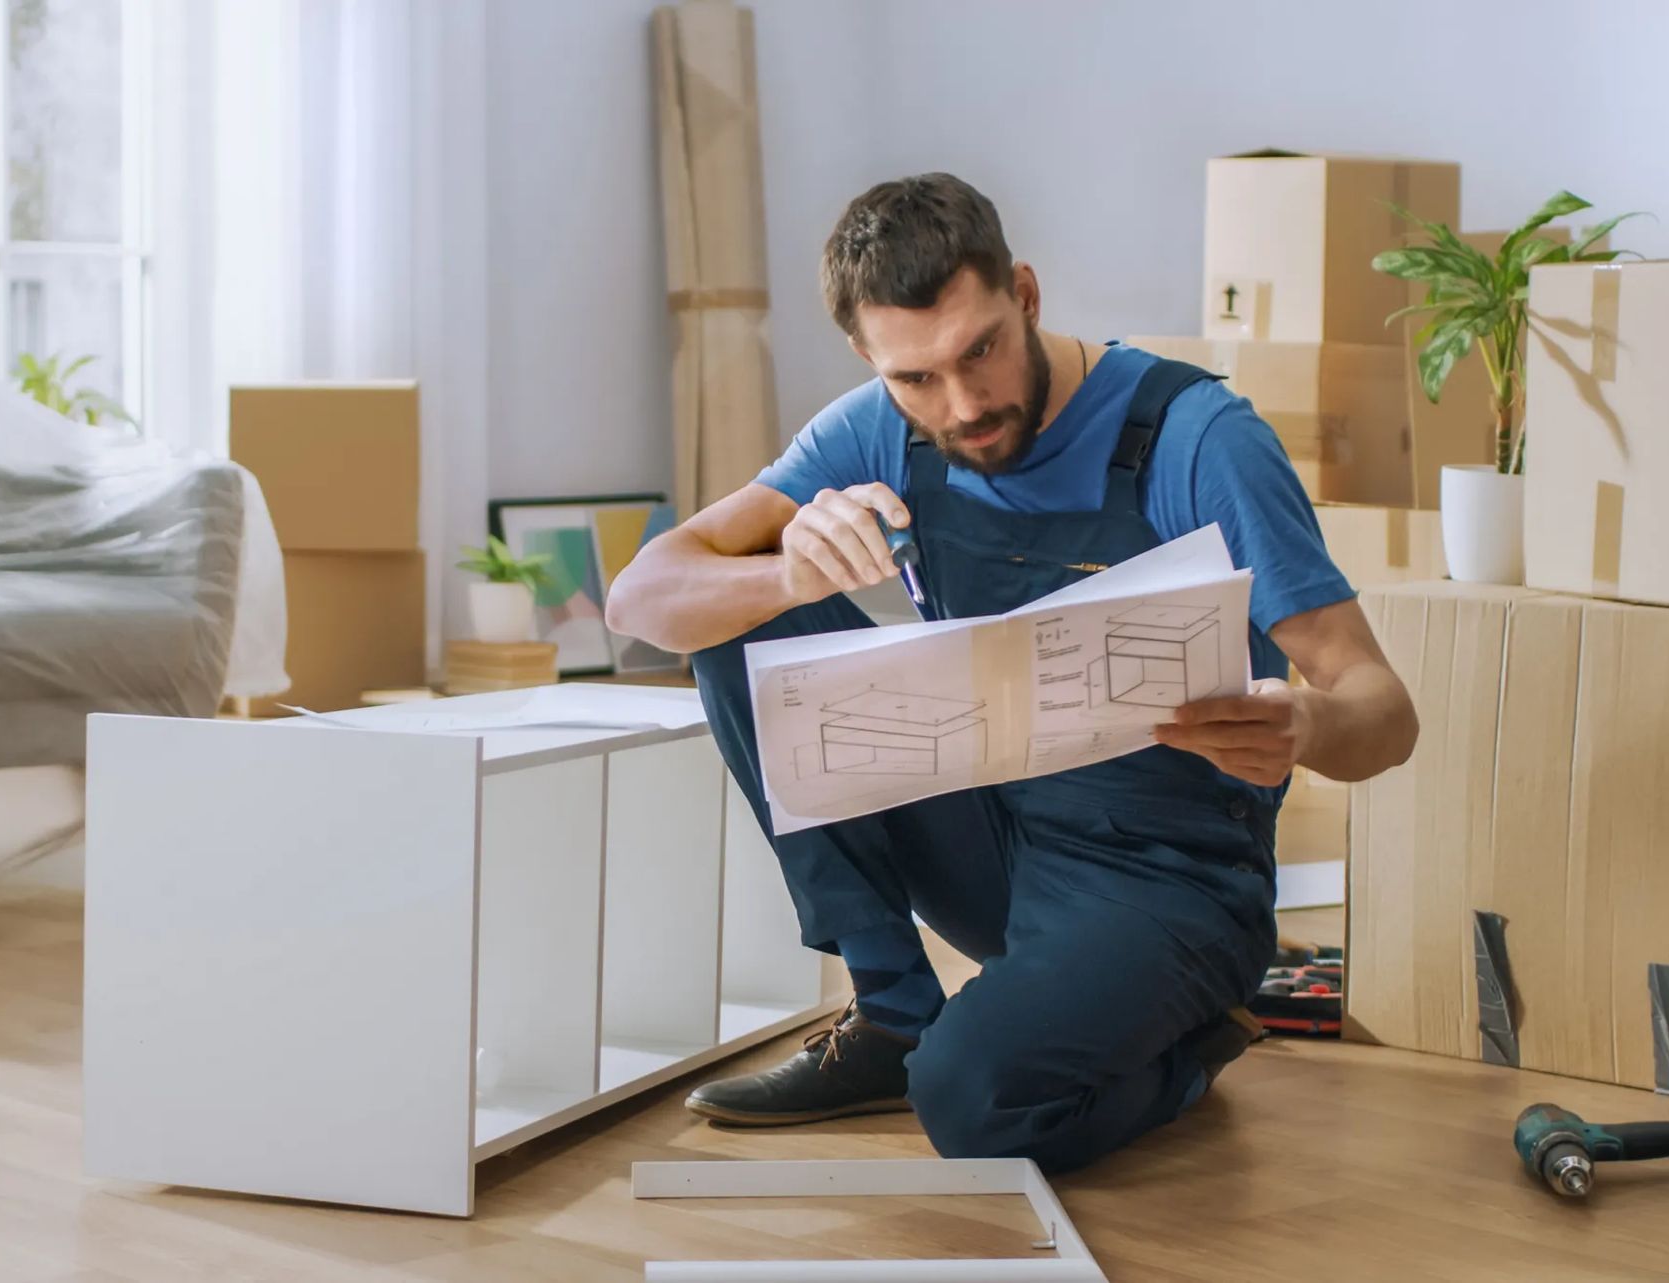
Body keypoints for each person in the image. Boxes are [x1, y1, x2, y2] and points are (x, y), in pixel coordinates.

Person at [604, 173, 1417, 1173]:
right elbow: (639, 599)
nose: (962, 405)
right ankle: (893, 1013)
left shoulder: (1199, 440)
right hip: (993, 833)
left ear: (1024, 294)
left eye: (979, 350)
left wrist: (1301, 725)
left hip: (1164, 880)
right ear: (868, 360)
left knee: (970, 1105)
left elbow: (1383, 712)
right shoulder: (875, 424)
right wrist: (789, 565)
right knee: (735, 615)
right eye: (915, 378)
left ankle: (1190, 1044)